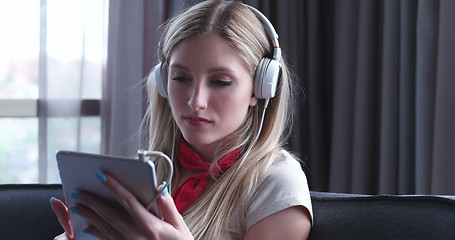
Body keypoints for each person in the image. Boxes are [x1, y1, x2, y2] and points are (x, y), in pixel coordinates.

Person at [51, 0, 313, 239]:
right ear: (163, 82)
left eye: (221, 82)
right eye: (181, 78)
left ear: (260, 88)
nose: (196, 101)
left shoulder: (277, 183)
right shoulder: (140, 174)